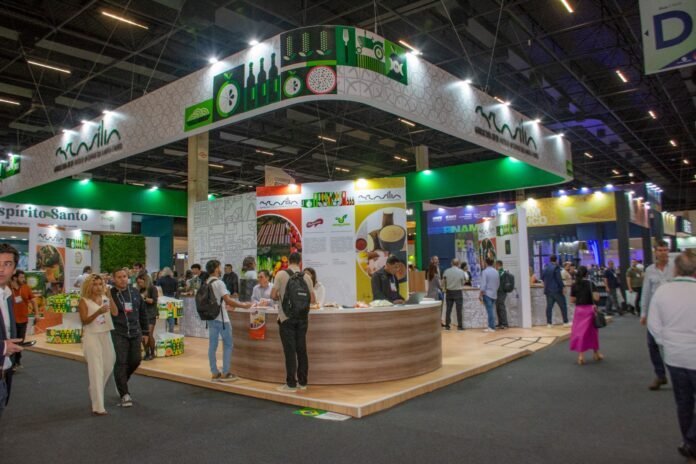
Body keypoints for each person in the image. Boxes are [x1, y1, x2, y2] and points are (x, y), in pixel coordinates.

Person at [647, 250, 696, 460]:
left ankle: (689, 443)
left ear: (676, 269)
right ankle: (691, 441)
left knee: (683, 403)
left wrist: (666, 343)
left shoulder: (662, 292)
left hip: (674, 356)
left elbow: (653, 325)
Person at [271, 252, 315, 392]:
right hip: (302, 318)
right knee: (302, 350)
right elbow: (313, 299)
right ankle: (303, 382)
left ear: (288, 261)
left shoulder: (281, 274)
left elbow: (273, 295)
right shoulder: (306, 277)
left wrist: (280, 295)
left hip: (286, 317)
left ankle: (291, 384)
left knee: (290, 351)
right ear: (300, 262)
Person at [204, 260, 252, 382]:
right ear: (216, 268)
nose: (221, 269)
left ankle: (214, 372)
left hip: (210, 318)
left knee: (212, 346)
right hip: (222, 319)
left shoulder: (207, 282)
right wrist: (243, 305)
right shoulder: (219, 283)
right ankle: (225, 373)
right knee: (228, 344)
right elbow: (228, 300)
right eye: (219, 267)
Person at [109, 268, 150, 408]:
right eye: (119, 277)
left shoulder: (135, 292)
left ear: (128, 277)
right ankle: (125, 394)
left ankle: (121, 381)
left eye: (124, 276)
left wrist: (145, 332)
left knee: (136, 360)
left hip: (135, 332)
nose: (122, 279)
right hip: (118, 333)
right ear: (114, 279)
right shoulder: (110, 294)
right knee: (121, 362)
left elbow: (143, 313)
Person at [78, 274, 117, 415]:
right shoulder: (84, 301)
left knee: (109, 364)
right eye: (95, 284)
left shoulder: (105, 298)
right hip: (92, 336)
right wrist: (98, 312)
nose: (98, 287)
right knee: (96, 370)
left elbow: (115, 313)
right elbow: (84, 320)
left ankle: (95, 388)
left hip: (106, 334)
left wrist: (110, 297)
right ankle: (98, 406)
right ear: (89, 286)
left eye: (101, 284)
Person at [641, 240, 673, 391]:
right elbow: (646, 292)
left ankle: (679, 375)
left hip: (673, 312)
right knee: (652, 344)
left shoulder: (675, 268)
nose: (663, 253)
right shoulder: (650, 270)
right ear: (655, 252)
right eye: (660, 250)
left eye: (665, 250)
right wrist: (643, 312)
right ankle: (660, 375)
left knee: (672, 344)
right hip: (655, 313)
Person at [0, 244, 23, 419]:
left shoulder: (7, 295)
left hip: (4, 373)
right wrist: (2, 347)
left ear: (14, 269)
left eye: (7, 264)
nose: (1, 269)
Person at [569, 266, 603, 365]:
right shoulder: (590, 284)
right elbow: (596, 298)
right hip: (589, 310)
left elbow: (572, 300)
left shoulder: (574, 285)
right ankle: (596, 353)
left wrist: (580, 297)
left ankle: (581, 356)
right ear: (586, 274)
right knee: (593, 333)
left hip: (579, 311)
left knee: (580, 333)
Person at [10, 271, 37, 369]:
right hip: (11, 321)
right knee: (12, 341)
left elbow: (33, 300)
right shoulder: (8, 288)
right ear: (15, 278)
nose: (23, 279)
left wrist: (37, 313)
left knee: (21, 341)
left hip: (23, 319)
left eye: (23, 277)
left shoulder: (26, 288)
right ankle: (12, 363)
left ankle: (17, 360)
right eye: (21, 277)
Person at [541, 255, 570, 327]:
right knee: (563, 306)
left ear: (550, 260)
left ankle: (549, 323)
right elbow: (558, 279)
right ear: (556, 260)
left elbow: (542, 277)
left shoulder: (546, 267)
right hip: (556, 290)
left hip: (548, 290)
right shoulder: (556, 268)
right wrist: (563, 287)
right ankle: (565, 322)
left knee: (549, 307)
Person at [136, 272, 158, 360]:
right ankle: (147, 352)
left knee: (149, 333)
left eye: (141, 282)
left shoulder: (152, 288)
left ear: (145, 281)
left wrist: (144, 298)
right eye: (138, 283)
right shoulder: (139, 290)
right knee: (142, 335)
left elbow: (153, 301)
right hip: (141, 315)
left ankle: (152, 353)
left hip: (151, 314)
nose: (139, 284)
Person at [442, 259, 466, 331]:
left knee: (448, 309)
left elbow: (443, 282)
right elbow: (463, 282)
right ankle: (460, 326)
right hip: (458, 292)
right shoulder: (461, 272)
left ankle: (447, 326)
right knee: (459, 310)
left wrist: (444, 288)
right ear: (458, 264)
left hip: (449, 292)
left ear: (451, 263)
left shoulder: (446, 271)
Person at [479, 257, 500, 333]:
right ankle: (491, 326)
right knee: (491, 310)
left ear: (486, 263)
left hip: (487, 294)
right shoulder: (496, 271)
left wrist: (481, 293)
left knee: (489, 311)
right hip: (494, 294)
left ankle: (491, 327)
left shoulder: (485, 272)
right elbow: (498, 283)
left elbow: (483, 284)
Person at [494, 260, 510, 329]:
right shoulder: (500, 272)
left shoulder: (502, 272)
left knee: (501, 307)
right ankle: (500, 323)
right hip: (499, 292)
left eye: (496, 265)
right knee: (498, 307)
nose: (495, 266)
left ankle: (505, 323)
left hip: (501, 292)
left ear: (498, 265)